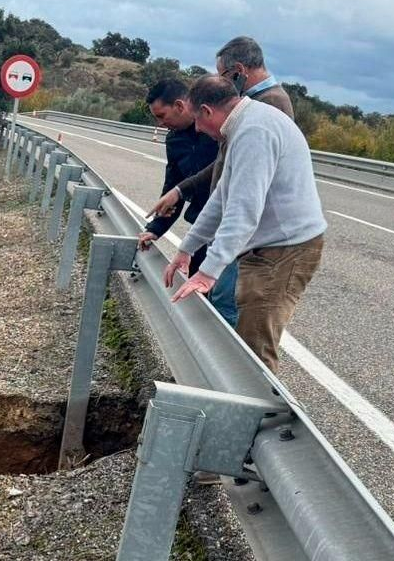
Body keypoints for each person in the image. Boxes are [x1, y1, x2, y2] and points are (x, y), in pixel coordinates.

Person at [167, 74, 326, 371]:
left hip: (285, 250)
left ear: (207, 111)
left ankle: (256, 401)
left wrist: (207, 273)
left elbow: (243, 211)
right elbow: (221, 198)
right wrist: (187, 248)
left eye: (197, 120)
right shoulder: (245, 124)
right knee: (245, 340)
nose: (197, 129)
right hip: (271, 246)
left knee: (254, 349)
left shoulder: (254, 132)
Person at [146, 37, 295, 228]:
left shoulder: (269, 103)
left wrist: (181, 191)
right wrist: (179, 192)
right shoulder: (252, 102)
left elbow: (241, 173)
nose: (222, 83)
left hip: (256, 229)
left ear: (239, 71)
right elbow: (226, 162)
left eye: (222, 75)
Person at [137, 79, 237, 326]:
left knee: (224, 300)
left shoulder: (217, 132)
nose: (160, 124)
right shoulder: (174, 140)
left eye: (162, 115)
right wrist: (155, 229)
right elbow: (173, 187)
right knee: (197, 293)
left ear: (180, 106)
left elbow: (219, 176)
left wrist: (180, 190)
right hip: (202, 229)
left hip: (229, 228)